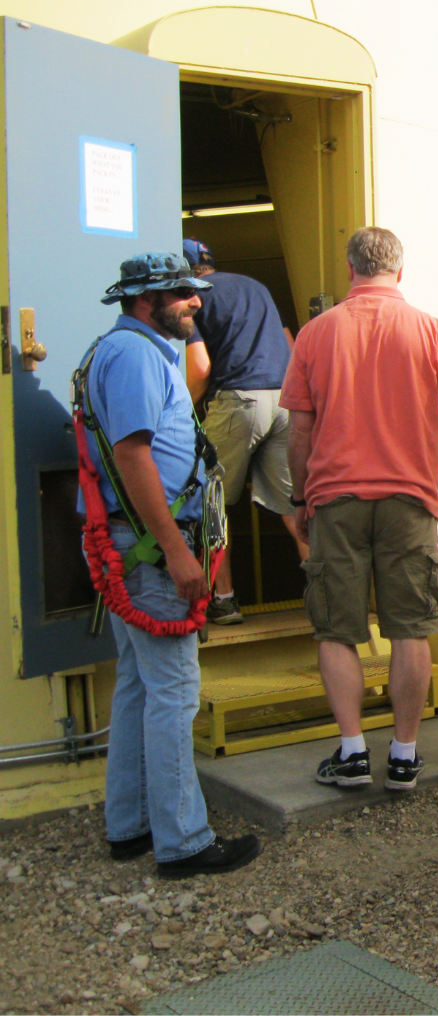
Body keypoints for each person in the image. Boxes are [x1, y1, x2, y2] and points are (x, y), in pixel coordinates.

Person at [280, 227, 438, 792]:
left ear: (350, 270)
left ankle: (350, 752)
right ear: (400, 271)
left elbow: (299, 429)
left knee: (336, 630)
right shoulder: (431, 333)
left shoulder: (316, 335)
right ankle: (404, 754)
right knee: (411, 628)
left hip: (336, 498)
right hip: (410, 499)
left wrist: (300, 498)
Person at [83, 252, 260, 877]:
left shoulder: (128, 351)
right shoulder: (133, 356)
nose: (195, 301)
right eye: (181, 293)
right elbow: (134, 457)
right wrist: (178, 550)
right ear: (144, 300)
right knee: (174, 692)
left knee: (138, 684)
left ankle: (130, 825)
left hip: (136, 551)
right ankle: (184, 841)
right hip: (154, 553)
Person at [182, 238, 306, 625]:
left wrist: (183, 414)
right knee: (293, 506)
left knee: (211, 504)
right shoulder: (256, 287)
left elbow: (200, 369)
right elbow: (290, 345)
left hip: (238, 402)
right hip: (284, 399)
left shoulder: (190, 297)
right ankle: (325, 593)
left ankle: (224, 599)